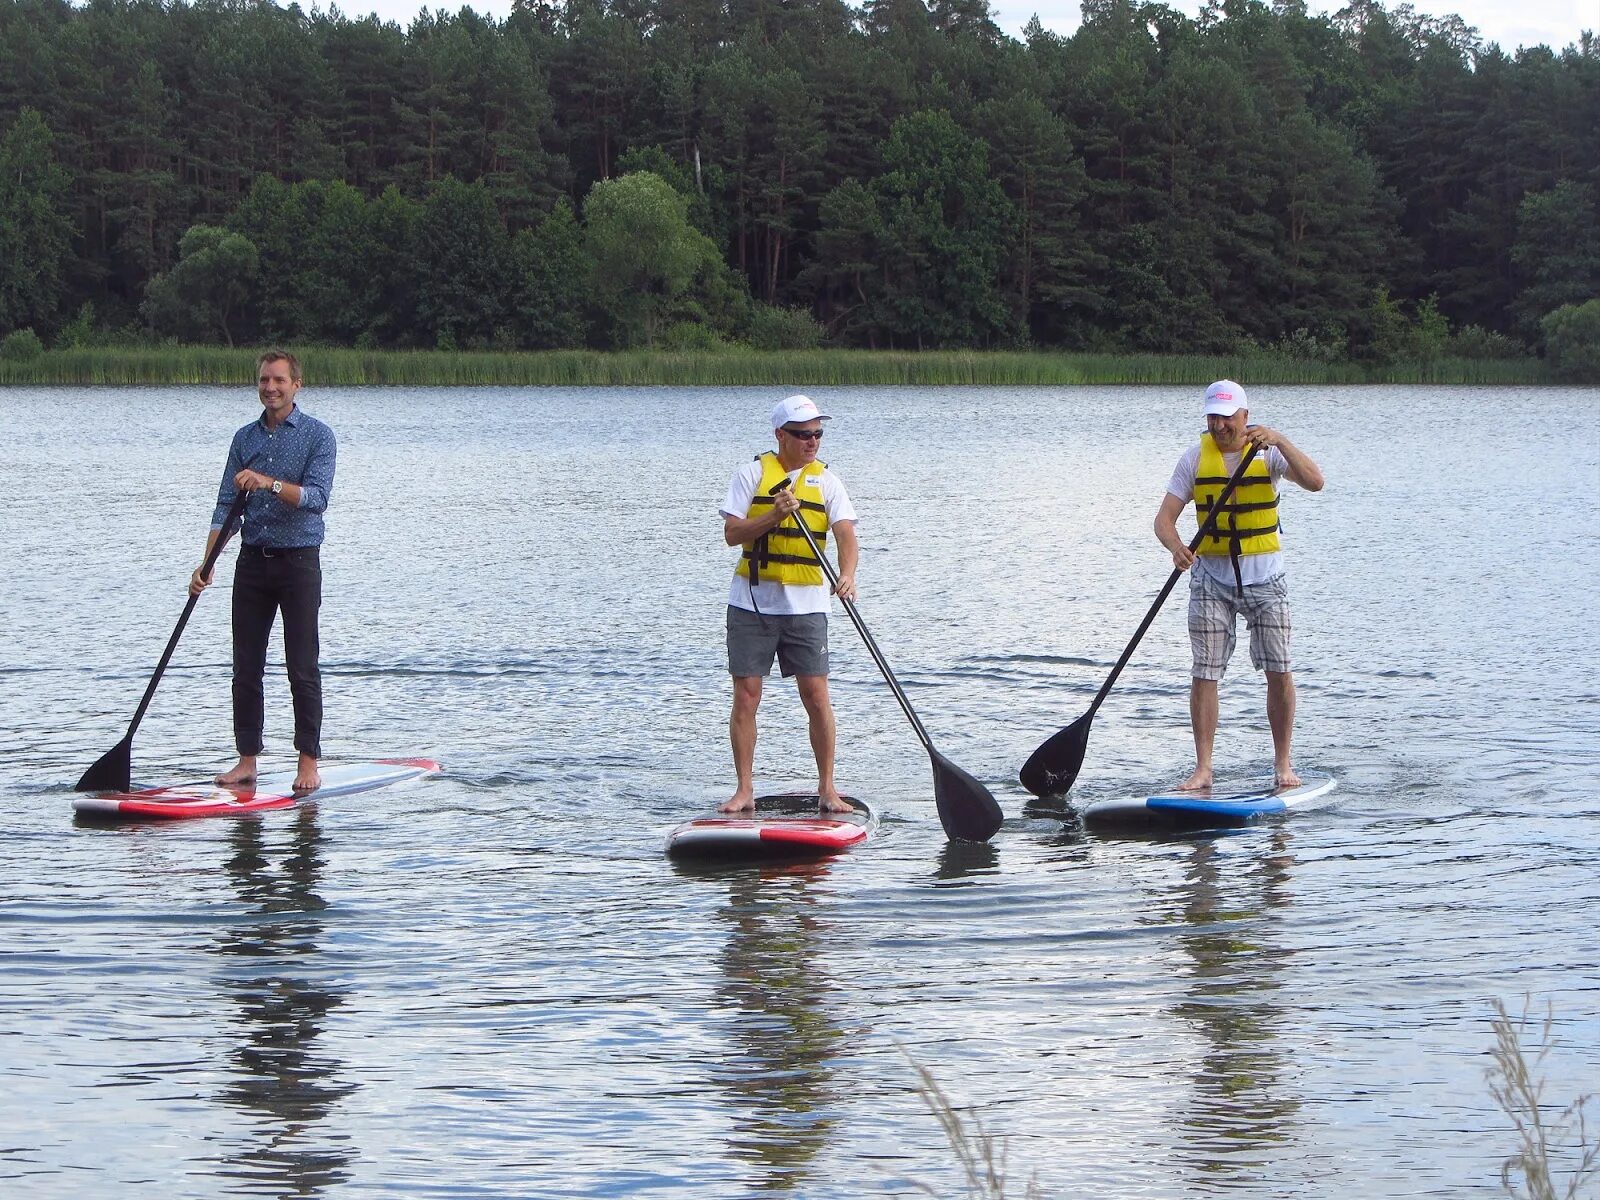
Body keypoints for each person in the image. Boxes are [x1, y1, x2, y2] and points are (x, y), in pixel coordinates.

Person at [1154, 380, 1324, 792]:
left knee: (1279, 670)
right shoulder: (1194, 458)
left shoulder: (1269, 455)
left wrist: (1280, 439)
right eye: (1213, 416)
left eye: (1227, 417)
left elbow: (1316, 482)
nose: (1220, 425)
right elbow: (1163, 521)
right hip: (1211, 579)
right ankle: (1203, 769)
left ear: (1244, 417)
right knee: (1205, 672)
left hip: (1265, 579)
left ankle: (1283, 763)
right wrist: (1177, 547)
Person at [191, 350, 336, 793]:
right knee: (246, 667)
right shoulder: (244, 438)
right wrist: (206, 562)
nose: (269, 388)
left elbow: (316, 498)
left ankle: (307, 762)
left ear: (297, 385)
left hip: (298, 564)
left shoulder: (318, 437)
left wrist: (268, 483)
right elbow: (226, 507)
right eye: (263, 381)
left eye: (278, 380)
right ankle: (246, 760)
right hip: (252, 562)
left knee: (301, 667)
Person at [719, 395, 860, 814]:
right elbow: (732, 535)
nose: (812, 441)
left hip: (808, 607)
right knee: (746, 696)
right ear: (781, 435)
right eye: (803, 434)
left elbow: (846, 535)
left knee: (817, 696)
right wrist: (774, 516)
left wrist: (847, 573)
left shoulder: (828, 482)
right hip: (751, 604)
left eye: (818, 433)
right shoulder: (750, 475)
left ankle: (828, 789)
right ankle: (745, 790)